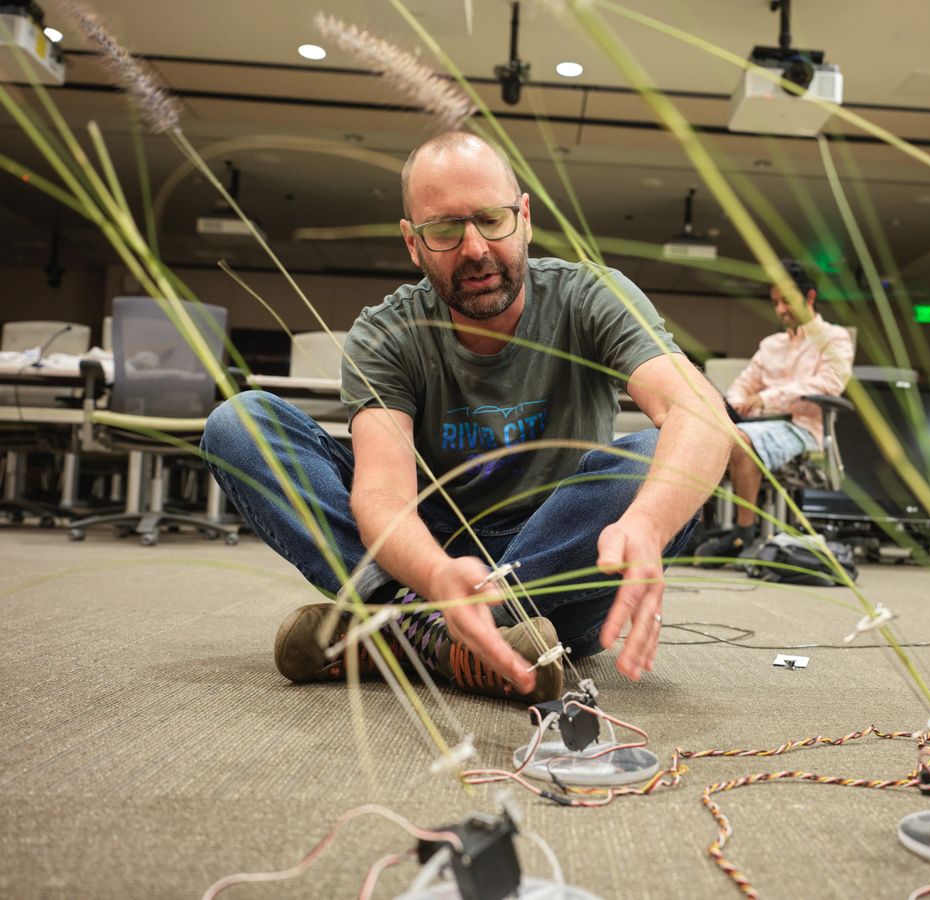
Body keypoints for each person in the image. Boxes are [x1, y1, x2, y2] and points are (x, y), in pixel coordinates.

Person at [200, 131, 732, 704]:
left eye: (492, 220)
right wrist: (432, 576)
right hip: (427, 551)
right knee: (240, 422)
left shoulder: (588, 296)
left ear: (524, 217)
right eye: (445, 229)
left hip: (553, 561)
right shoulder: (387, 332)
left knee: (659, 463)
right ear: (413, 242)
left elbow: (700, 411)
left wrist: (647, 523)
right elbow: (382, 493)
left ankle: (401, 629)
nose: (475, 248)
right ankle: (447, 634)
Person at [695, 261, 854, 563]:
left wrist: (767, 398)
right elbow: (743, 386)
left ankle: (744, 531)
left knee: (741, 438)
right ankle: (701, 527)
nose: (780, 310)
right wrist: (739, 402)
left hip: (803, 427)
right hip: (758, 424)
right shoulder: (771, 345)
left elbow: (829, 384)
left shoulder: (835, 339)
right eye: (776, 303)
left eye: (787, 302)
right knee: (704, 432)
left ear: (809, 298)